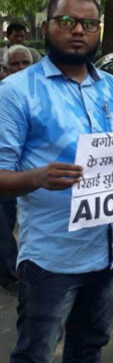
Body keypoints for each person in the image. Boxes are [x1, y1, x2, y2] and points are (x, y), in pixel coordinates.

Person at [0, 0, 113, 362]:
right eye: (67, 22)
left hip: (109, 250)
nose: (78, 30)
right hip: (52, 257)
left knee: (89, 348)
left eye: (89, 24)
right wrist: (38, 177)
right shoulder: (15, 92)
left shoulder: (110, 86)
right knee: (35, 353)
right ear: (46, 28)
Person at [0, 45, 35, 295]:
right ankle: (9, 274)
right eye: (15, 64)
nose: (20, 68)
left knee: (9, 217)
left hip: (21, 174)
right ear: (4, 69)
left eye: (25, 63)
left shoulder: (40, 95)